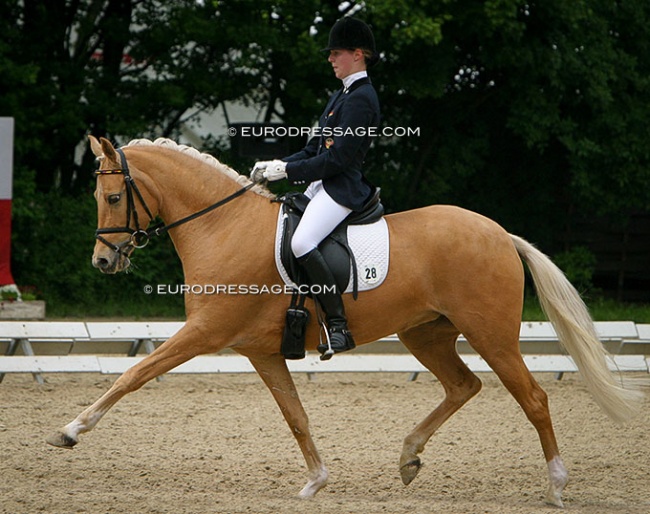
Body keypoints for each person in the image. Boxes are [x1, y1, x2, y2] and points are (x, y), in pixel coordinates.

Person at [251, 17, 381, 359]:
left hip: (341, 189)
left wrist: (288, 171)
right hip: (320, 186)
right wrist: (275, 165)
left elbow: (338, 159)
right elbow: (313, 149)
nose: (330, 59)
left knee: (302, 242)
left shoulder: (362, 98)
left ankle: (338, 326)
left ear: (357, 54)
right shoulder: (342, 95)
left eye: (336, 53)